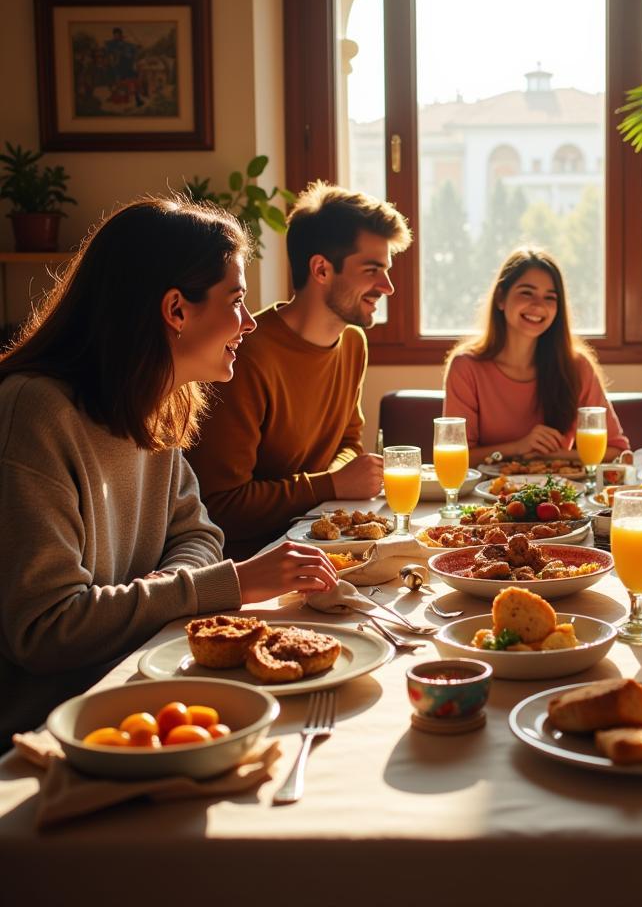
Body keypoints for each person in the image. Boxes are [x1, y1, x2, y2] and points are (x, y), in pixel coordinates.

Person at [0, 197, 339, 747]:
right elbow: (45, 630)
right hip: (57, 728)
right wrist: (227, 584)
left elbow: (197, 534)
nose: (249, 323)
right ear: (176, 310)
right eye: (236, 301)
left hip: (143, 685)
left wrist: (169, 588)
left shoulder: (156, 402)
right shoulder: (36, 413)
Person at [187, 182, 411, 559]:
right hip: (253, 561)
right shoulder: (243, 354)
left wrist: (340, 481)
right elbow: (221, 506)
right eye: (372, 269)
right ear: (321, 269)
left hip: (324, 545)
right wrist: (332, 485)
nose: (387, 287)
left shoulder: (353, 344)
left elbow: (348, 442)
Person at [443, 248, 628, 466]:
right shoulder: (466, 367)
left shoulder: (576, 366)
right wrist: (518, 447)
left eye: (550, 297)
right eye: (526, 293)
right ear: (501, 298)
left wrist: (551, 455)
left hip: (559, 494)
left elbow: (618, 451)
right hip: (487, 497)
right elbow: (455, 460)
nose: (539, 305)